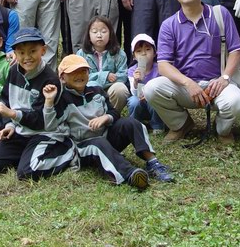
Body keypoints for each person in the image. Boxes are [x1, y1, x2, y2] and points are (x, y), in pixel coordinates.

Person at [145, 0, 240, 144]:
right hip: (185, 87)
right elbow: (163, 65)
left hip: (216, 84)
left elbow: (235, 50)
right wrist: (188, 83)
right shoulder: (169, 25)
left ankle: (222, 129)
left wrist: (225, 78)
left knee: (236, 102)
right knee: (152, 89)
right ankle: (181, 124)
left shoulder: (220, 14)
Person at [42, 55, 174, 190]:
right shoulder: (61, 99)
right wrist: (49, 102)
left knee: (130, 122)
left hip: (106, 138)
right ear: (62, 78)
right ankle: (130, 174)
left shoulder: (97, 91)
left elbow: (114, 113)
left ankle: (153, 163)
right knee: (99, 143)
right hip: (82, 147)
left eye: (83, 71)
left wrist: (106, 118)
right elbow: (51, 126)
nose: (79, 75)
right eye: (73, 72)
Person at [0, 28, 76, 179]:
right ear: (15, 54)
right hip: (21, 130)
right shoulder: (13, 71)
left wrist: (12, 114)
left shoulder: (50, 80)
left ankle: (68, 151)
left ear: (43, 50)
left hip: (44, 132)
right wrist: (9, 125)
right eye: (21, 53)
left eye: (33, 51)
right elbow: (6, 99)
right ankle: (28, 154)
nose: (27, 57)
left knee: (26, 172)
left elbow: (40, 121)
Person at [76, 16, 130, 112]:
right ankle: (91, 116)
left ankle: (112, 115)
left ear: (110, 35)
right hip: (89, 90)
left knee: (120, 89)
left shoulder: (119, 54)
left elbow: (123, 76)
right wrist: (105, 76)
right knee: (91, 85)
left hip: (111, 89)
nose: (99, 35)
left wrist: (103, 82)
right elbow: (80, 77)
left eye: (103, 31)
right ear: (88, 36)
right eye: (95, 32)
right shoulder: (81, 54)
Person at [126, 33, 165, 134]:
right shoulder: (132, 70)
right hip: (139, 101)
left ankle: (157, 125)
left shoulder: (159, 69)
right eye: (139, 51)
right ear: (134, 56)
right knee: (133, 101)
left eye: (147, 49)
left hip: (154, 102)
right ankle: (136, 124)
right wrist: (135, 81)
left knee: (156, 99)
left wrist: (149, 95)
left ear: (155, 53)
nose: (143, 53)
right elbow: (133, 93)